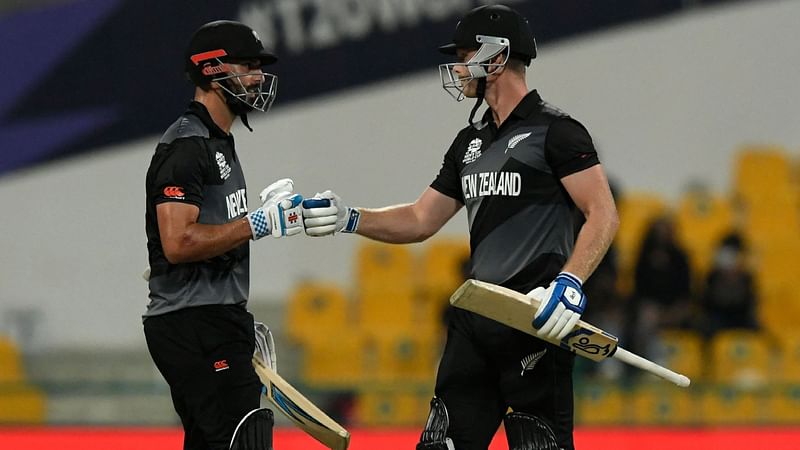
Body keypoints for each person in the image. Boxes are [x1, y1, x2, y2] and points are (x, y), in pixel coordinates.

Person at [301, 5, 619, 450]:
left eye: (465, 53)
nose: (456, 66)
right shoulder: (469, 142)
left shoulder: (558, 131)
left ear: (496, 56)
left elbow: (603, 213)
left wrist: (570, 282)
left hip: (535, 319)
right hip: (475, 321)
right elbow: (419, 218)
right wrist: (349, 217)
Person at [143, 20, 304, 450]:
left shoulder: (217, 141)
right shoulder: (187, 146)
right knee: (242, 440)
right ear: (212, 69)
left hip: (211, 317)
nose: (256, 77)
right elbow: (178, 243)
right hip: (195, 320)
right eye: (247, 66)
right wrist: (260, 223)